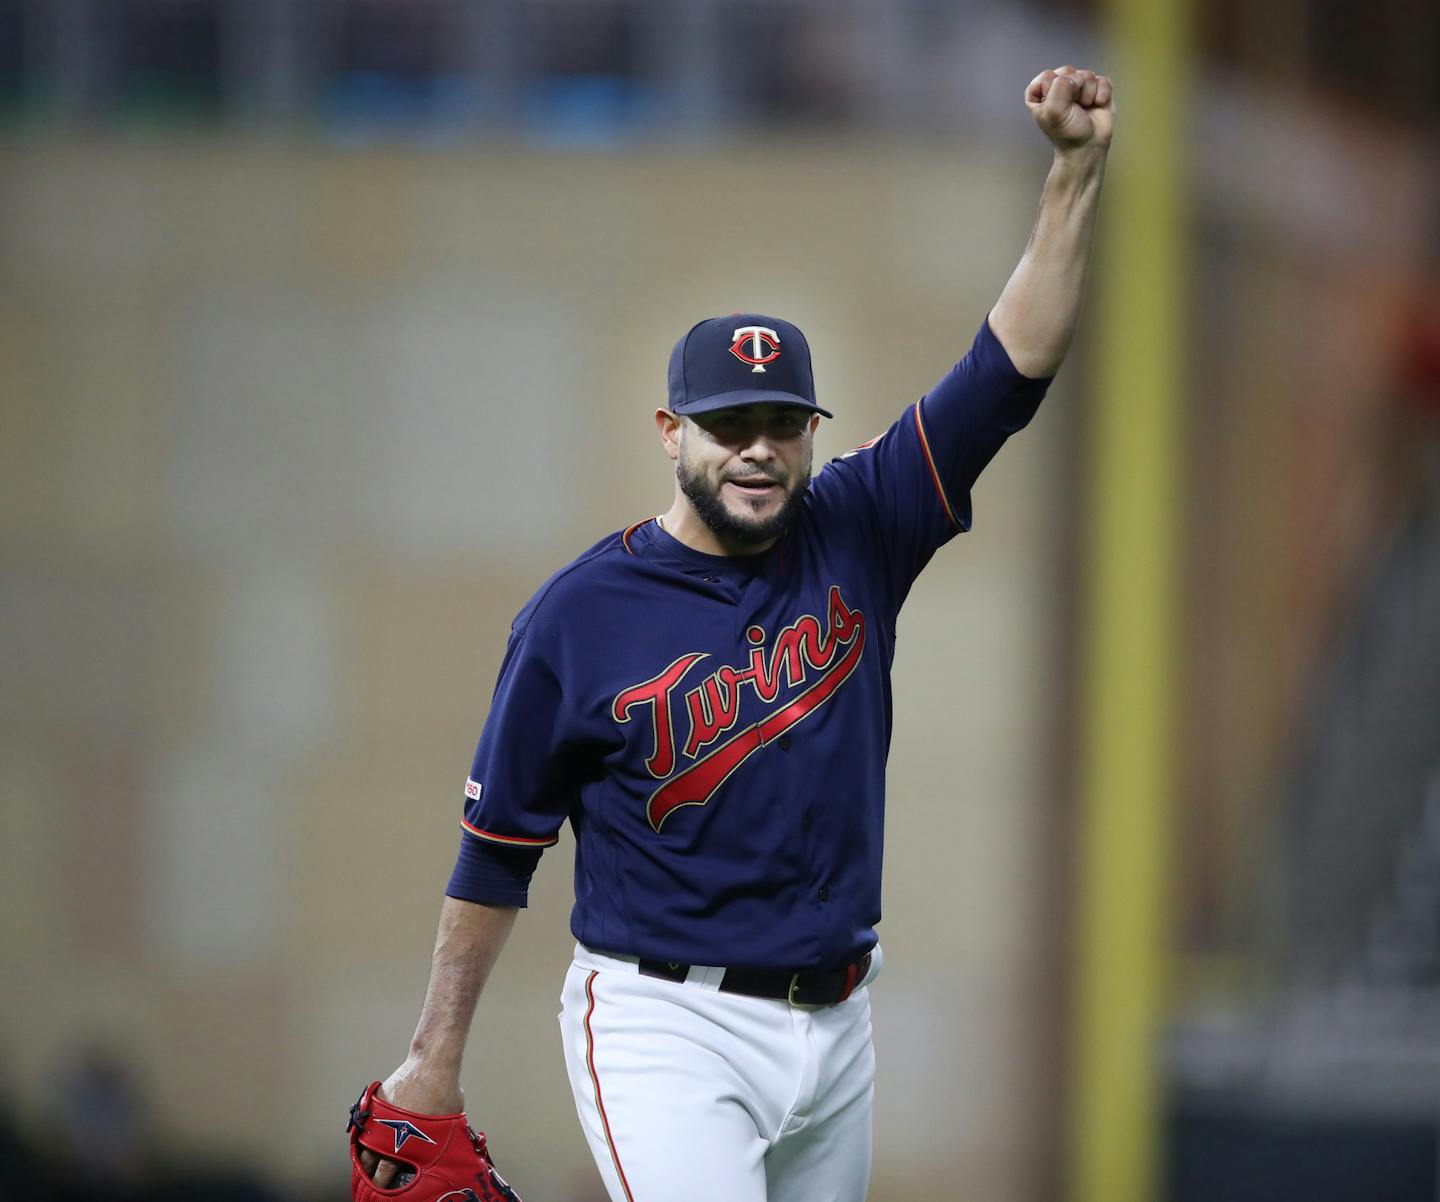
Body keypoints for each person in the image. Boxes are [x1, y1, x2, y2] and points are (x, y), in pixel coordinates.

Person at [357, 64, 1114, 1202]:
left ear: (811, 431)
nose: (757, 448)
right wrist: (434, 1059)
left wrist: (1073, 172)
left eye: (779, 424)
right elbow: (496, 851)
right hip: (665, 1022)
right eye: (727, 426)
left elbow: (1009, 369)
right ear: (672, 432)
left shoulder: (860, 522)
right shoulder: (580, 616)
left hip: (838, 1019)